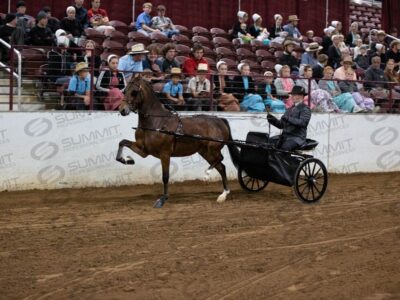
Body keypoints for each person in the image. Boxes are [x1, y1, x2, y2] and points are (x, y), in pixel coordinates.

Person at [267, 85, 311, 151]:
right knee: (269, 142)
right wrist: (272, 120)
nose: (292, 96)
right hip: (285, 137)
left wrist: (288, 118)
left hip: (297, 138)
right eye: (292, 95)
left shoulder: (305, 108)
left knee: (285, 147)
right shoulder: (290, 109)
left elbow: (303, 123)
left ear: (301, 96)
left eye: (294, 95)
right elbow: (281, 125)